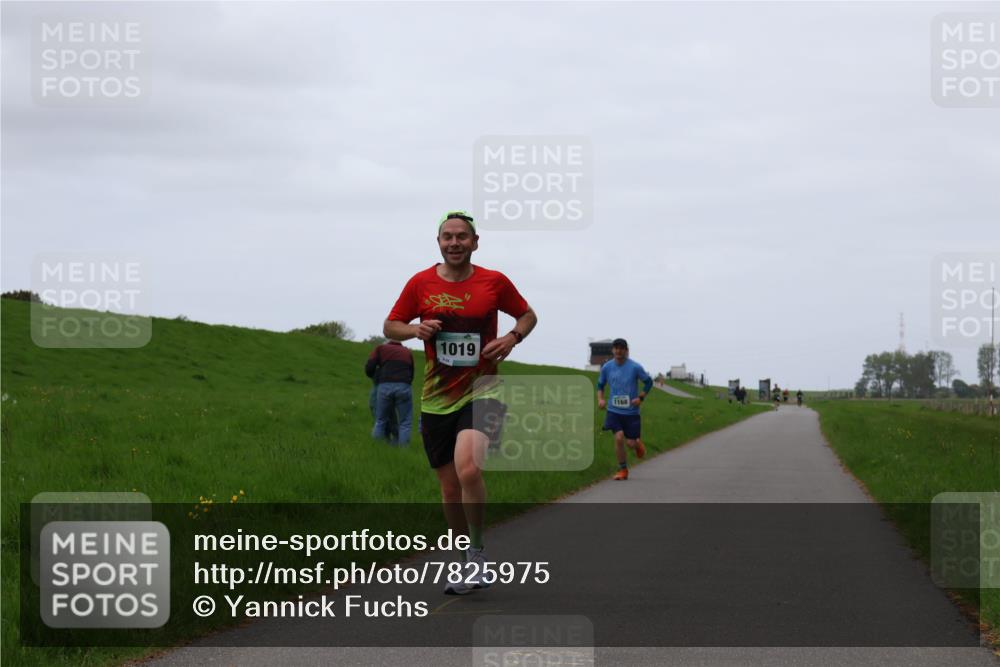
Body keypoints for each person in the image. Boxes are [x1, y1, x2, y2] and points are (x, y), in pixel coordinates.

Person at [383, 210, 537, 595]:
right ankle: (464, 560)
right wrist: (414, 328)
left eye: (462, 237)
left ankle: (479, 555)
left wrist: (512, 338)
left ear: (475, 242)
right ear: (438, 242)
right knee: (450, 489)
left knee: (469, 469)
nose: (455, 242)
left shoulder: (494, 282)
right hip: (437, 398)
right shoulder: (420, 283)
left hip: (483, 389)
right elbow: (391, 325)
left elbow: (528, 314)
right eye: (448, 236)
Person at [596, 338, 653, 481]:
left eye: (621, 348)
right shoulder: (607, 367)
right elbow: (600, 386)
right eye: (616, 348)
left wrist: (640, 398)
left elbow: (648, 382)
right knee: (619, 437)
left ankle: (637, 443)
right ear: (612, 350)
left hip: (631, 413)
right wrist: (600, 399)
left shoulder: (635, 367)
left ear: (626, 350)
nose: (618, 351)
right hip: (614, 411)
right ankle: (623, 470)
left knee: (630, 443)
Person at [365, 339, 413, 445]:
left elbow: (369, 368)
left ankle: (376, 447)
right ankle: (403, 453)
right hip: (404, 386)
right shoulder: (407, 351)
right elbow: (411, 372)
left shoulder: (380, 348)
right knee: (405, 422)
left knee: (380, 420)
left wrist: (377, 376)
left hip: (384, 386)